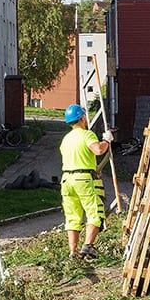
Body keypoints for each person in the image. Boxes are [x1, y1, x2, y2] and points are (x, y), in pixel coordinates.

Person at [59, 103, 113, 260]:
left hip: (66, 180)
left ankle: (73, 252)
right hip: (83, 179)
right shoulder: (86, 134)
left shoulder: (66, 139)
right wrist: (106, 140)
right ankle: (88, 246)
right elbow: (98, 150)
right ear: (82, 118)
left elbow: (76, 158)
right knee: (95, 212)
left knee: (72, 216)